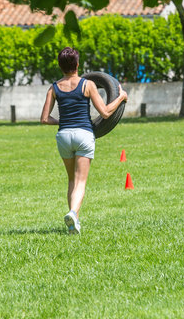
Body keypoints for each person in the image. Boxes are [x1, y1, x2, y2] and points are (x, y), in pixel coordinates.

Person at [41, 47, 127, 234]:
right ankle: (73, 212)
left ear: (60, 66)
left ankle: (75, 221)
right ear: (78, 64)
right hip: (84, 134)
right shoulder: (87, 85)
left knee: (72, 179)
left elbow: (45, 118)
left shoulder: (53, 87)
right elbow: (104, 112)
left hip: (64, 136)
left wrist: (62, 121)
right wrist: (121, 97)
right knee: (80, 182)